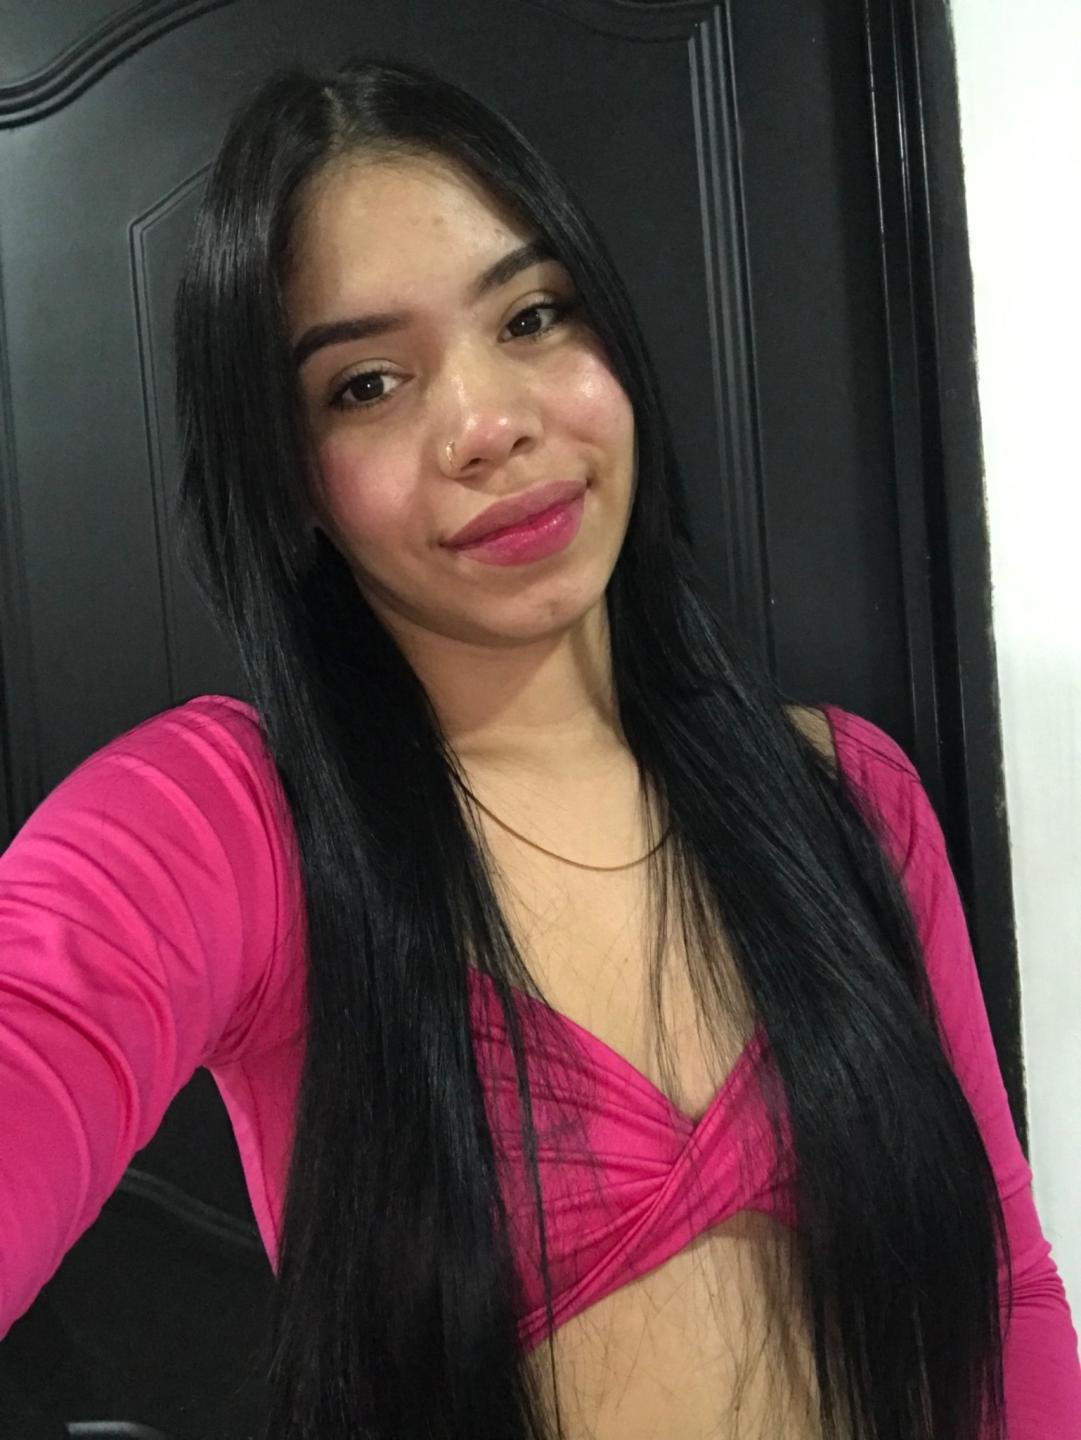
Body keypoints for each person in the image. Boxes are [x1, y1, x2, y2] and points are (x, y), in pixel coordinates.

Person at [0, 52, 1078, 1440]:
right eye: (367, 383)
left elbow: (1005, 1291)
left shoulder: (849, 796)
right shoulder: (230, 827)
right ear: (291, 476)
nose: (488, 425)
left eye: (531, 315)